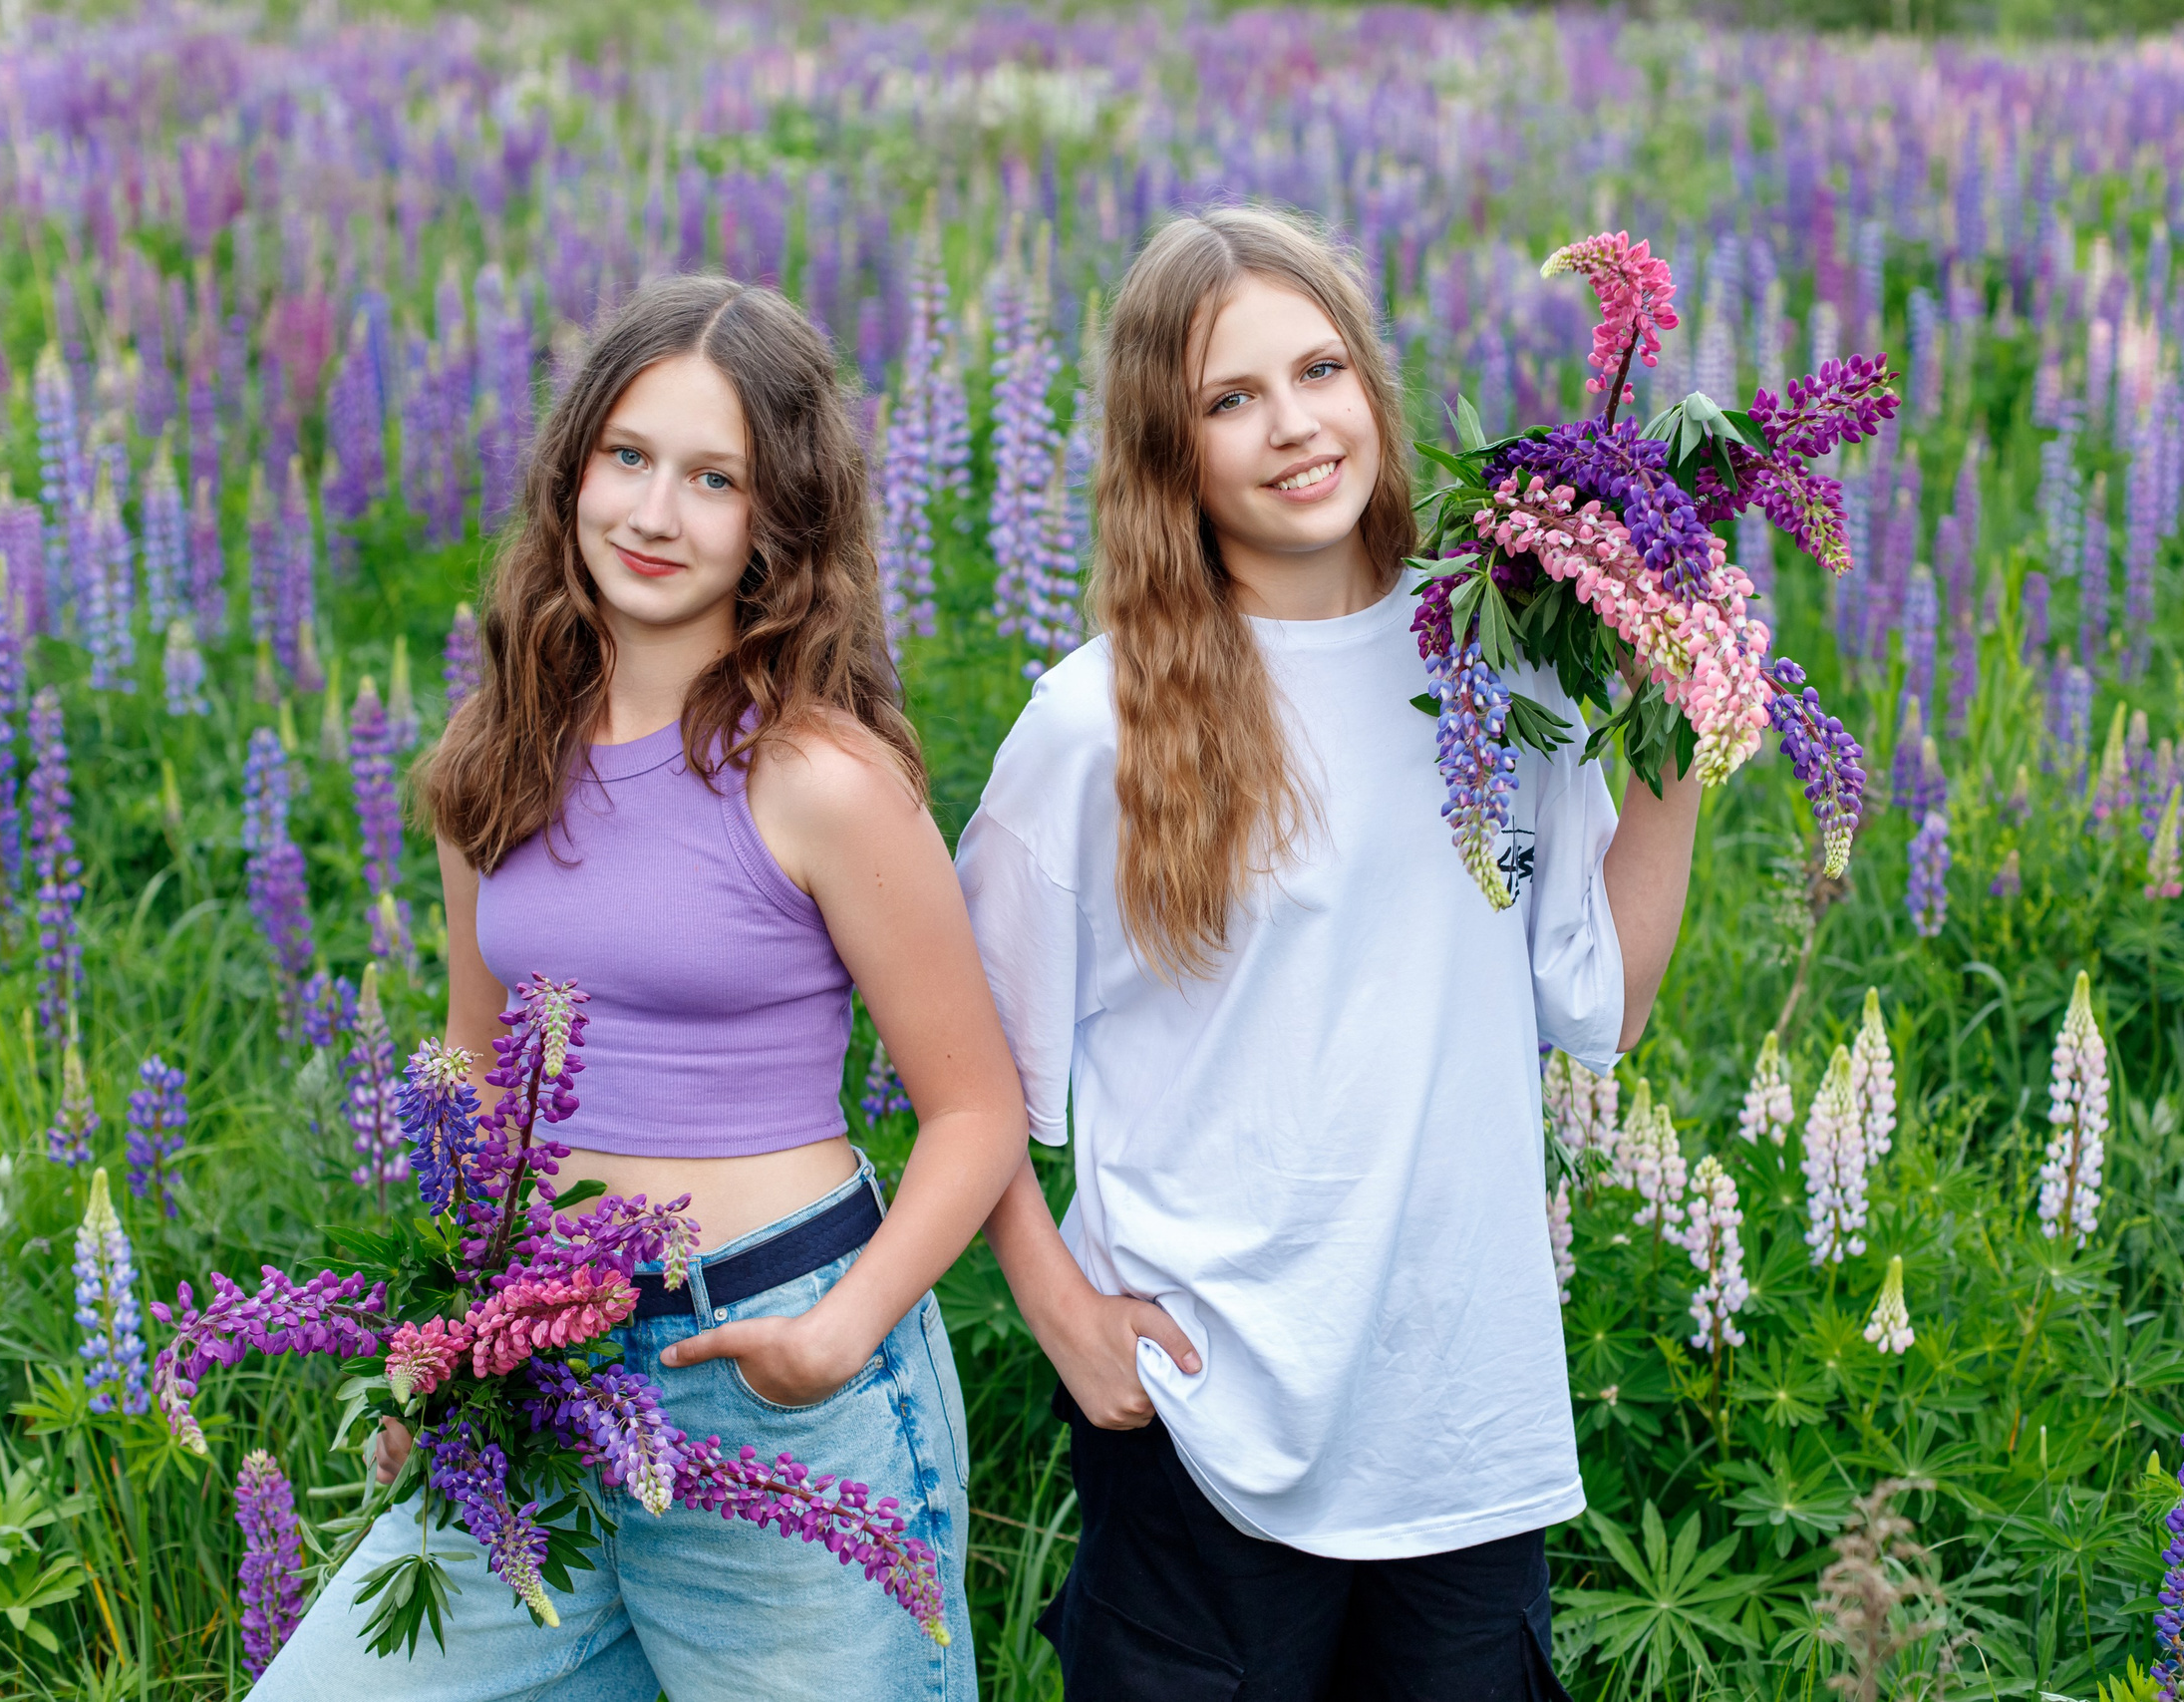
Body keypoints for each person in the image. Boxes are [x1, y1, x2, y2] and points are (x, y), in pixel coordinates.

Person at [957, 206, 1703, 1700]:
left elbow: (1599, 1003)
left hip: (1459, 1423)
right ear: (1168, 450)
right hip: (1204, 1423)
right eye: (1230, 400)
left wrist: (1672, 728)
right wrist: (1052, 1301)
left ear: (1372, 384)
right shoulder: (1093, 723)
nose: (1293, 427)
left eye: (1319, 371)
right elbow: (964, 1059)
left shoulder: (1500, 653)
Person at [252, 274, 1026, 1702]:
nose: (655, 515)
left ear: (777, 521)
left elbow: (975, 1109)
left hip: (777, 1383)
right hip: (538, 1384)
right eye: (629, 458)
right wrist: (450, 1349)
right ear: (573, 471)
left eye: (714, 478)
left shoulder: (823, 779)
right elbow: (487, 1090)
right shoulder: (497, 754)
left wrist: (836, 1336)